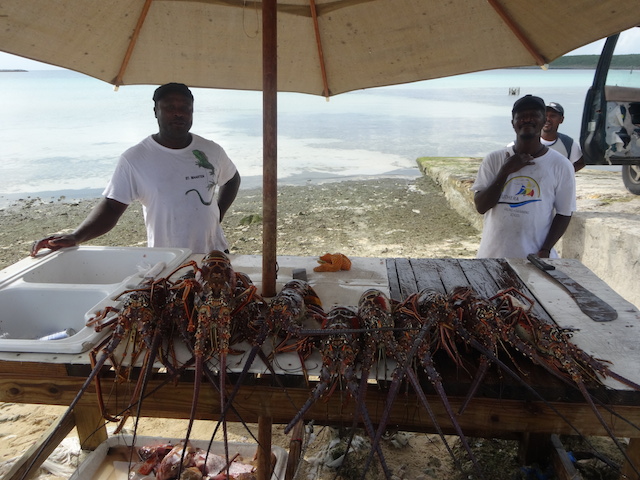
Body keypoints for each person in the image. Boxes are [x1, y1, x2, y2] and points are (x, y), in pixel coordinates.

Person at [31, 82, 241, 256]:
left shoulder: (211, 150)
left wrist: (218, 214)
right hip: (167, 259)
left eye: (185, 107)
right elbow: (111, 208)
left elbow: (232, 179)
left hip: (216, 255)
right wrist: (77, 236)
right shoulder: (135, 159)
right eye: (169, 107)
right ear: (155, 112)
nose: (178, 113)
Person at [473, 94, 576, 259]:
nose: (527, 120)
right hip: (491, 256)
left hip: (534, 258)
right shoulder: (494, 159)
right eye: (521, 116)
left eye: (534, 115)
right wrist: (505, 170)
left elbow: (564, 212)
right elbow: (481, 207)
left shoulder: (561, 165)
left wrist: (545, 250)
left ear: (543, 121)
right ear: (513, 123)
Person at [542, 102, 585, 172]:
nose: (548, 119)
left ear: (561, 120)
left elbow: (581, 162)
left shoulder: (568, 143)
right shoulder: (530, 141)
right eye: (545, 115)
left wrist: (566, 173)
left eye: (552, 116)